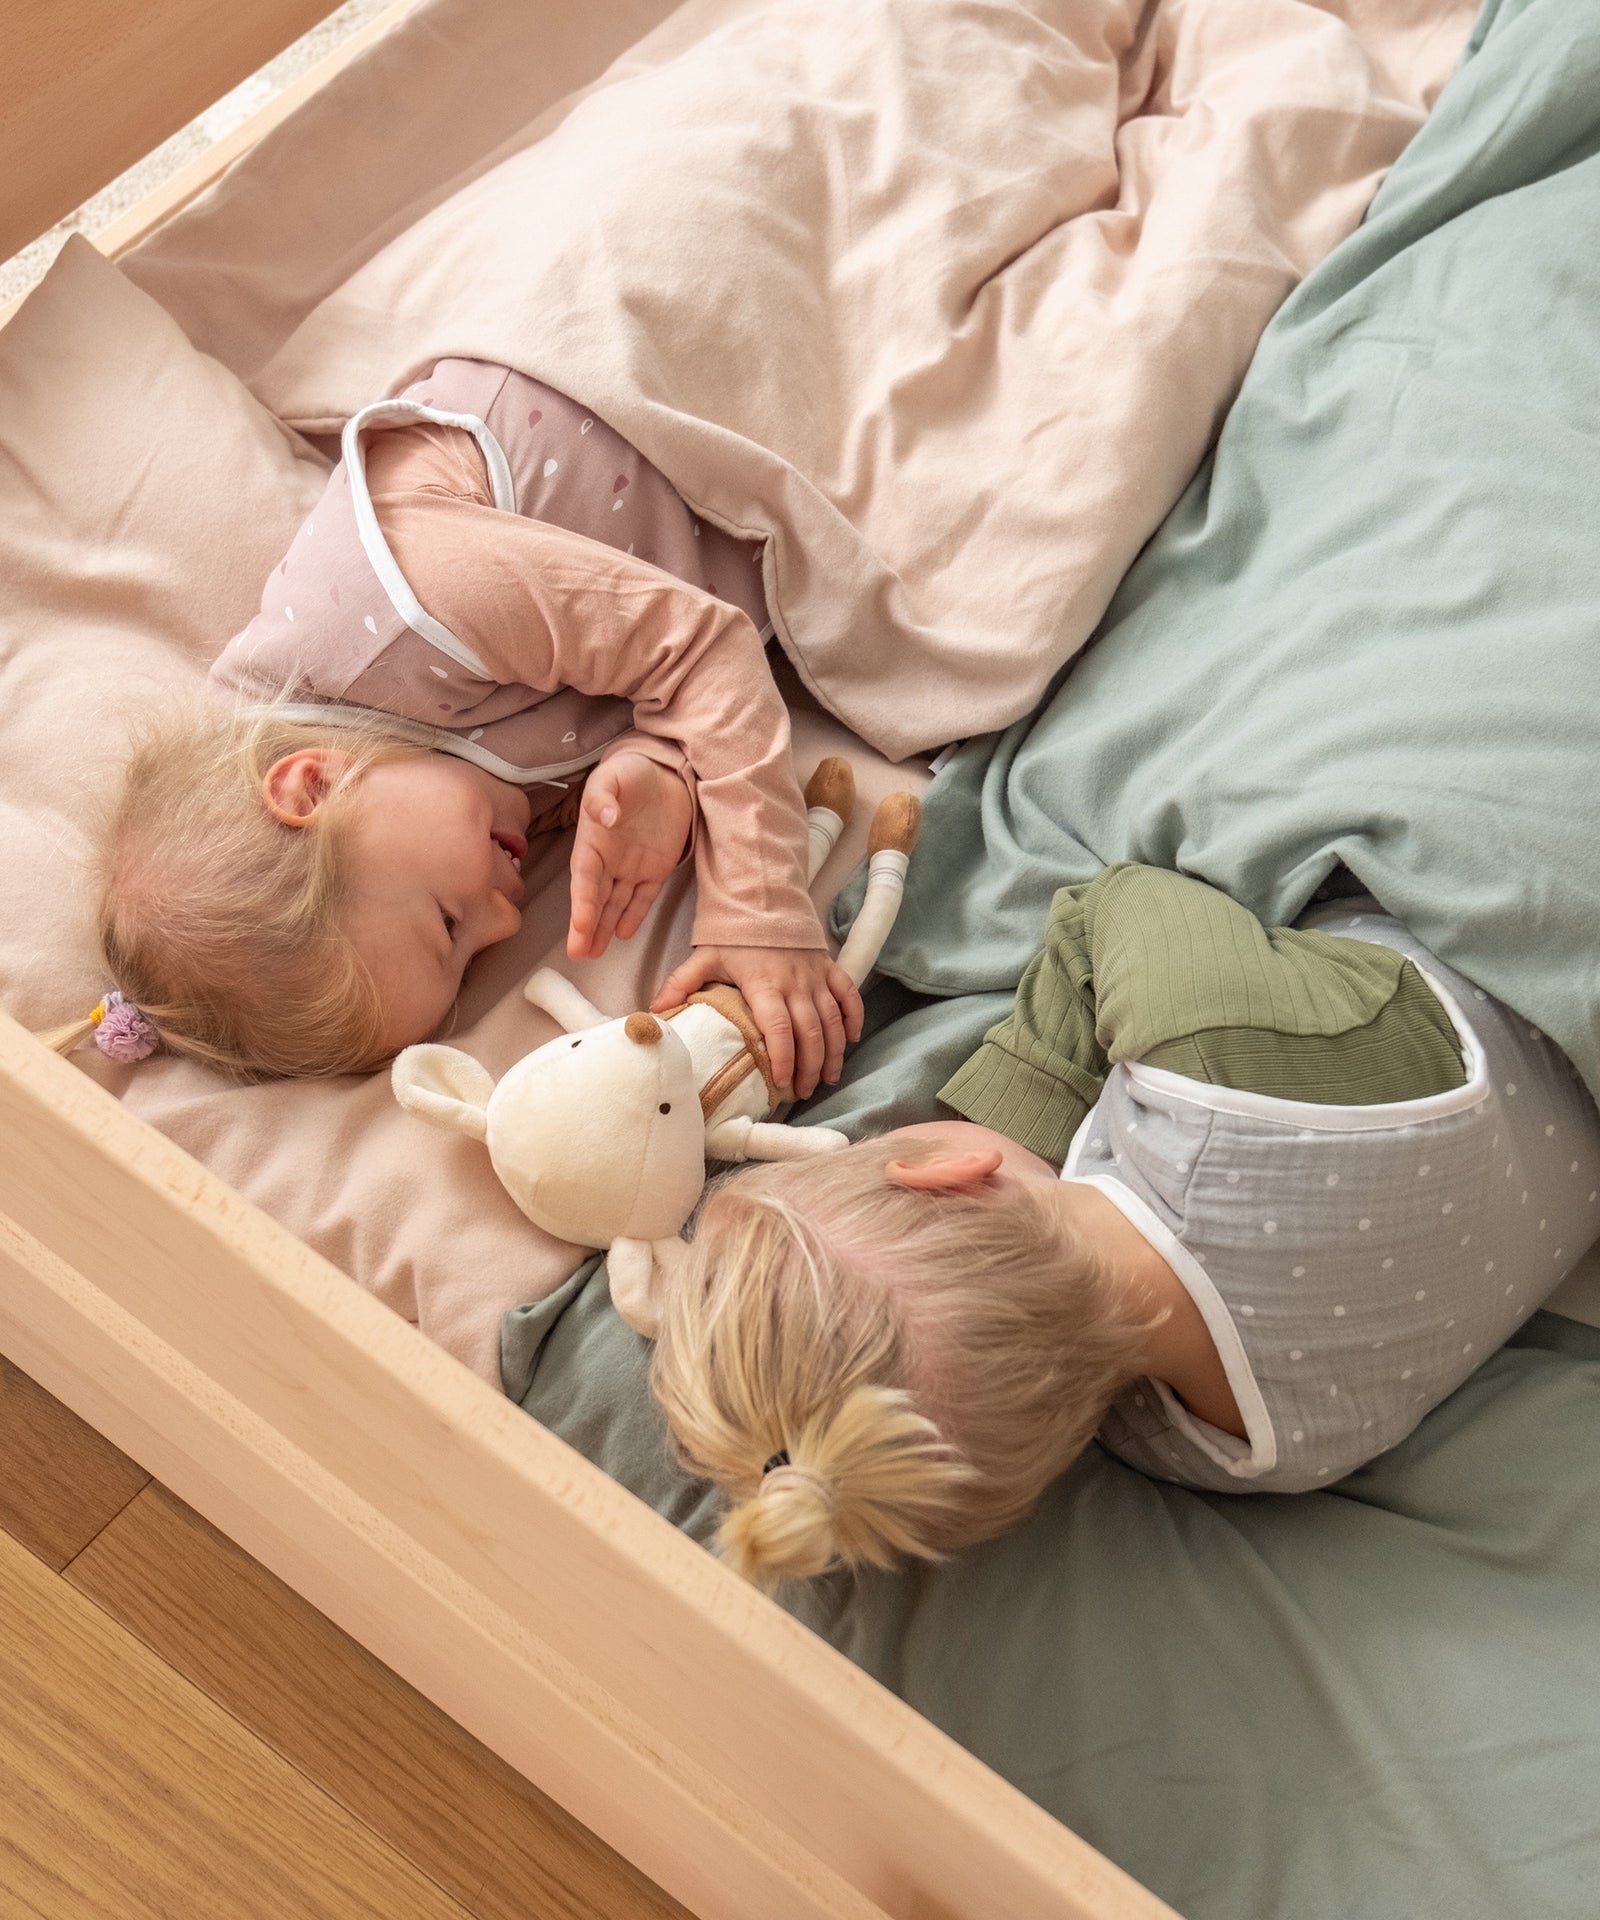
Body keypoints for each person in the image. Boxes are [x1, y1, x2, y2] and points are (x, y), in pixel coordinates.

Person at [649, 863, 1600, 1587]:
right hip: (1498, 988)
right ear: (953, 1174)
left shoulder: (1233, 1454)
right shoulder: (1205, 1064)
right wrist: (1015, 1116)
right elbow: (1119, 900)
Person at [47, 358, 860, 1091]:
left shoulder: (407, 608)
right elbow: (628, 707)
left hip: (630, 365)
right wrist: (657, 772)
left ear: (314, 785)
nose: (506, 920)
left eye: (448, 924)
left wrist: (758, 910)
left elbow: (700, 648)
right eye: (473, 960)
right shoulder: (427, 794)